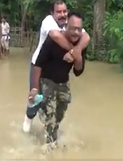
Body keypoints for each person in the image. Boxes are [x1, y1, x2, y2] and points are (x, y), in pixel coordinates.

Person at [23, 0, 90, 133]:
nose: (62, 14)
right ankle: (28, 118)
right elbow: (56, 36)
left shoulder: (70, 26)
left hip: (57, 72)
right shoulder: (49, 22)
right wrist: (74, 51)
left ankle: (50, 125)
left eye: (65, 11)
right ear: (52, 13)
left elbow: (86, 37)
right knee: (36, 99)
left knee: (55, 107)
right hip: (39, 65)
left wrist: (76, 53)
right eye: (58, 12)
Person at [30, 12, 86, 149]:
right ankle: (50, 147)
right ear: (67, 26)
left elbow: (78, 71)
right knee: (51, 114)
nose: (76, 32)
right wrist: (35, 88)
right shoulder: (53, 41)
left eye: (79, 29)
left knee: (60, 112)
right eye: (73, 28)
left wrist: (77, 56)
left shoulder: (79, 44)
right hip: (47, 80)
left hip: (63, 82)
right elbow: (38, 64)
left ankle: (50, 125)